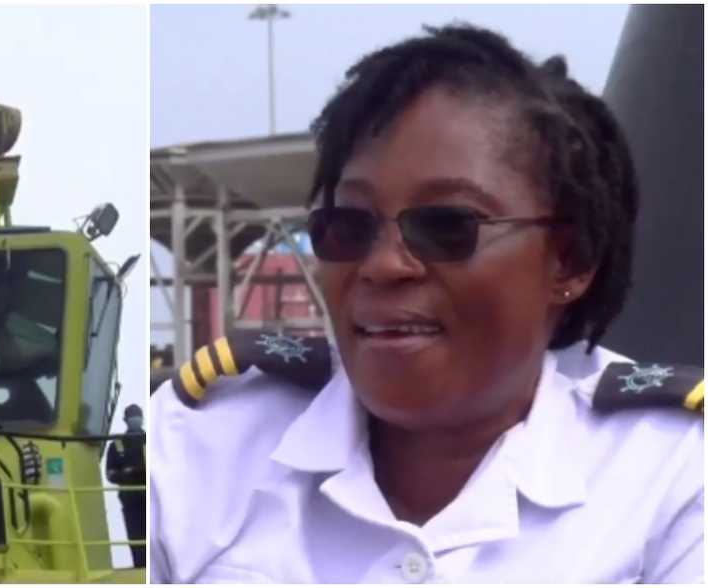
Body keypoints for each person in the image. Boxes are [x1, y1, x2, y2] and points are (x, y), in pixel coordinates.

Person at [150, 25, 703, 583]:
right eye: (348, 226)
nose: (384, 265)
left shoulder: (673, 475)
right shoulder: (198, 447)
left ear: (570, 260)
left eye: (446, 226)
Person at [106, 403, 146, 567]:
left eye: (137, 416)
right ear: (125, 420)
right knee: (135, 536)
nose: (135, 419)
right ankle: (140, 566)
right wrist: (128, 474)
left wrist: (136, 471)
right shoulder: (116, 445)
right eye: (132, 416)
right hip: (130, 499)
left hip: (152, 498)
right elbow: (110, 474)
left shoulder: (153, 439)